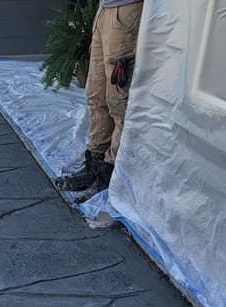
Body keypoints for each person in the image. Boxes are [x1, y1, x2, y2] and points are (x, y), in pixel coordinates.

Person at [56, 0, 143, 201]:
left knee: (117, 98)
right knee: (95, 93)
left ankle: (109, 171)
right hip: (105, 9)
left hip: (126, 9)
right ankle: (94, 162)